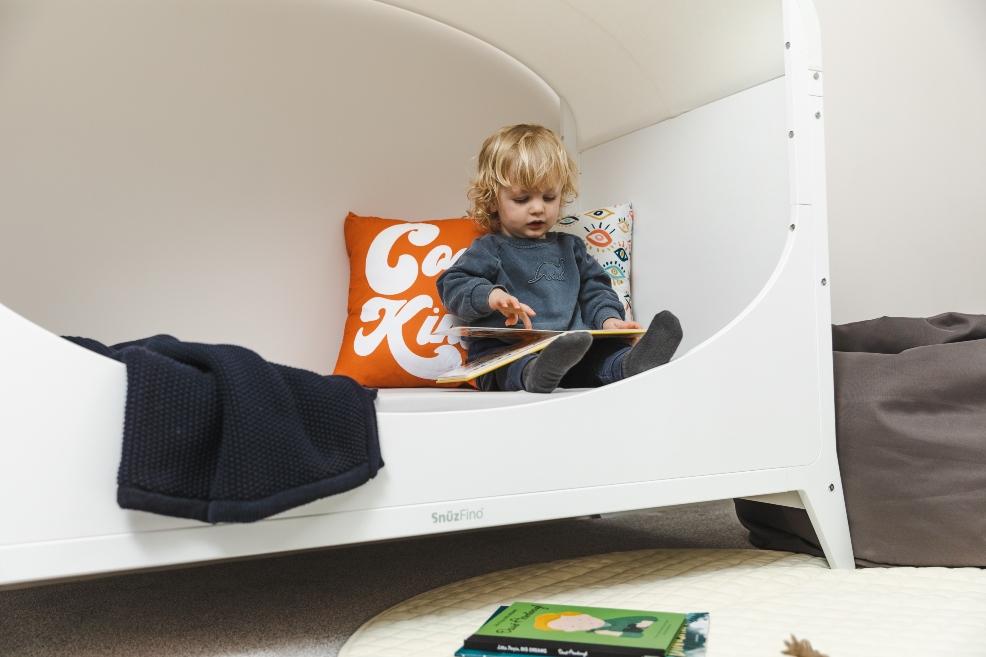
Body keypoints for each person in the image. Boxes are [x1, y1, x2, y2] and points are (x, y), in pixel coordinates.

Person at [436, 124, 682, 393]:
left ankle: (630, 365)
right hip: (508, 352)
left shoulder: (571, 248)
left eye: (549, 197)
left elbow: (596, 290)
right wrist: (490, 295)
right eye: (522, 198)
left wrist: (608, 319)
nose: (538, 208)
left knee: (599, 356)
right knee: (505, 366)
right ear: (493, 201)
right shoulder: (490, 248)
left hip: (572, 348)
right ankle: (534, 373)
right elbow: (452, 283)